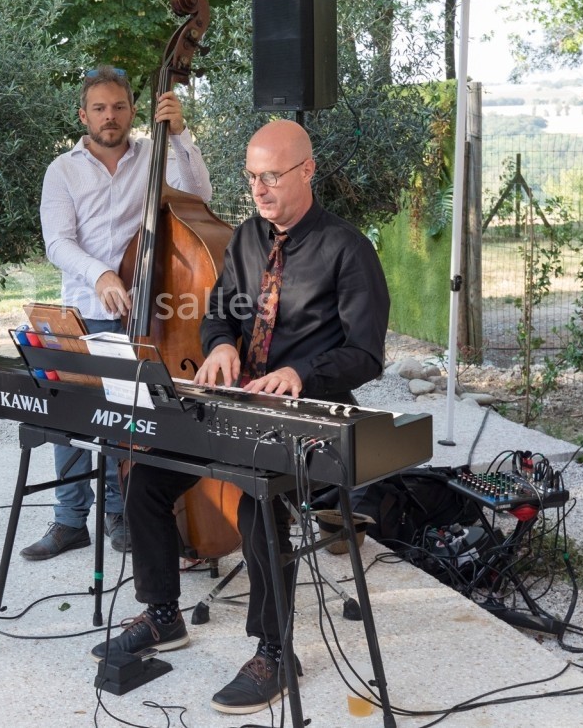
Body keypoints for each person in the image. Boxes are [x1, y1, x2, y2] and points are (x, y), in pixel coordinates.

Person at [93, 120, 390, 714]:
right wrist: (222, 344)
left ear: (307, 170)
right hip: (238, 401)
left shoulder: (347, 248)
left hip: (307, 416)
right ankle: (162, 614)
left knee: (257, 500)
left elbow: (366, 353)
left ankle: (275, 651)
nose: (259, 188)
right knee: (148, 477)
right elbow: (217, 317)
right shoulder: (247, 239)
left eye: (272, 176)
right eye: (252, 176)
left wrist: (303, 375)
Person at [23, 65, 212, 561]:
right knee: (68, 414)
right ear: (83, 114)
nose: (110, 117)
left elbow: (199, 196)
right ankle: (69, 520)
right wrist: (102, 275)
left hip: (142, 310)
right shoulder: (61, 170)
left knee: (125, 416)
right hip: (83, 306)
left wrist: (181, 133)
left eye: (120, 107)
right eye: (100, 108)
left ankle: (119, 511)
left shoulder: (154, 156)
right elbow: (58, 243)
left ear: (133, 111)